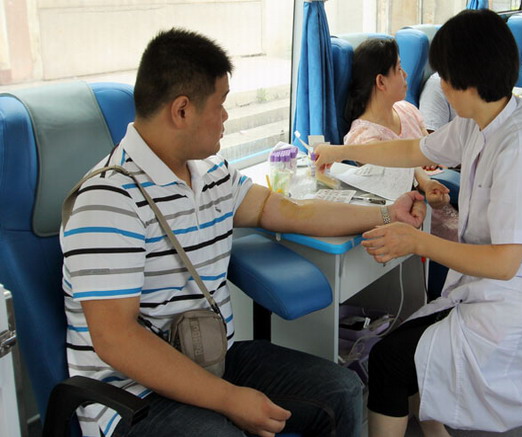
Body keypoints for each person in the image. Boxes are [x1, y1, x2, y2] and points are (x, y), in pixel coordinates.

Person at [60, 28, 426, 437]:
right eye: (220, 104)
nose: (226, 117)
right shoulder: (109, 200)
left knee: (341, 391)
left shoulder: (212, 173)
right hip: (134, 397)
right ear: (182, 111)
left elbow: (286, 210)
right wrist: (229, 398)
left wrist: (385, 214)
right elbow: (117, 339)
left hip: (214, 358)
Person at [314, 9, 522, 436]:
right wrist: (340, 152)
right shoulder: (483, 122)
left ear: (467, 82)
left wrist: (416, 241)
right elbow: (414, 150)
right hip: (485, 295)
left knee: (390, 360)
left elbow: (504, 263)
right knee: (409, 350)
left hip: (513, 318)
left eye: (445, 78)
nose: (441, 86)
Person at [343, 37, 458, 243]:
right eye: (398, 69)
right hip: (416, 217)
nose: (405, 74)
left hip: (444, 203)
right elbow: (398, 173)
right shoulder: (363, 137)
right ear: (381, 82)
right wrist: (427, 183)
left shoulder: (407, 110)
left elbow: (432, 154)